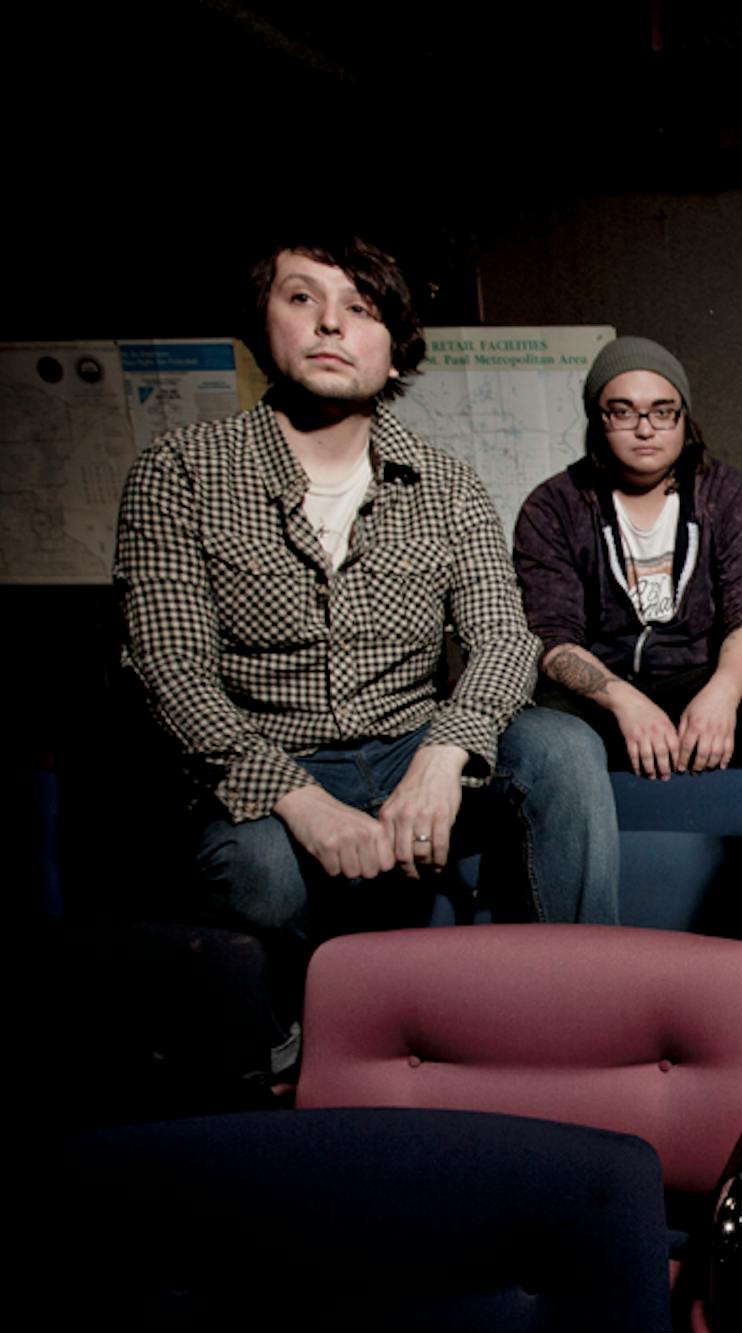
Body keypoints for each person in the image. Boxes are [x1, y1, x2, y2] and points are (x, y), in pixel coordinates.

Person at [116, 235, 620, 951]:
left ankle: (585, 998)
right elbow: (173, 672)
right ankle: (285, 1042)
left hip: (411, 741)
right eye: (302, 299)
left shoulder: (447, 483)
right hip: (269, 754)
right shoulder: (180, 472)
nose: (329, 324)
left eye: (359, 308)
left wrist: (443, 757)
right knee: (259, 867)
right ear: (265, 323)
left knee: (563, 747)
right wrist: (303, 802)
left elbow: (504, 639)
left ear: (394, 347)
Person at [513, 336, 742, 778]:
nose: (645, 429)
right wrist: (625, 701)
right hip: (603, 688)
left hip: (697, 676)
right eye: (623, 411)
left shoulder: (727, 495)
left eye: (662, 411)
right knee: (546, 718)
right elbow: (552, 639)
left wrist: (722, 693)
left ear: (684, 418)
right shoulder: (554, 505)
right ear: (598, 419)